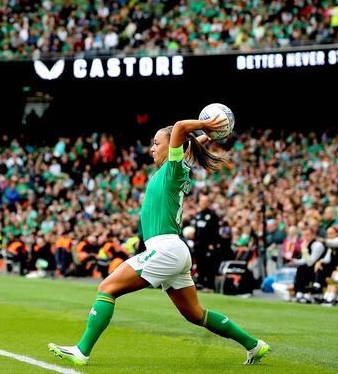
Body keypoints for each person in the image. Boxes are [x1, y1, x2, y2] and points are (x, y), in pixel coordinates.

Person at [48, 114, 270, 366]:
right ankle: (254, 345)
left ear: (171, 145)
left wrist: (206, 126)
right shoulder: (173, 168)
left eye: (156, 142)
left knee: (107, 288)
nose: (152, 148)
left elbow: (180, 127)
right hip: (174, 249)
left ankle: (82, 350)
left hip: (165, 248)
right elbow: (187, 141)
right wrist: (208, 135)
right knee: (195, 314)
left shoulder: (174, 167)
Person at [192, 193, 221, 290]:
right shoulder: (198, 215)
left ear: (208, 203)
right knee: (200, 264)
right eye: (201, 201)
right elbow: (196, 230)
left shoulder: (213, 216)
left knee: (209, 265)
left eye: (205, 201)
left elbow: (215, 231)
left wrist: (213, 243)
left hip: (208, 245)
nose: (203, 203)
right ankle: (200, 282)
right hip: (198, 245)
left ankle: (209, 284)